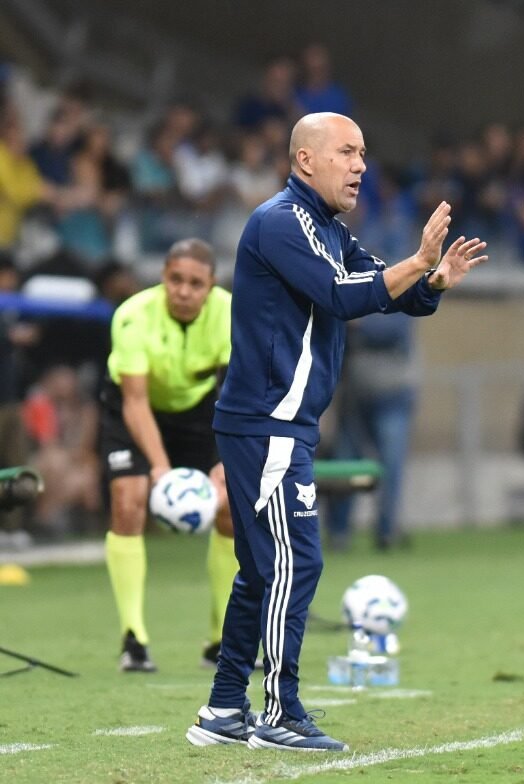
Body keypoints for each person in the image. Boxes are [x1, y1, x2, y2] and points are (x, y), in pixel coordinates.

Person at [187, 112, 486, 752]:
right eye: (347, 152)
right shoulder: (280, 222)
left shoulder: (325, 227)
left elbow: (385, 288)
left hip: (278, 424)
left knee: (261, 571)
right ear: (305, 161)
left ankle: (221, 710)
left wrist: (430, 278)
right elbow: (346, 296)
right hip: (267, 422)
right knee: (297, 563)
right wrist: (416, 262)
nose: (360, 166)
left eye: (364, 153)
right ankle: (279, 710)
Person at [99, 238, 234, 672]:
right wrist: (161, 468)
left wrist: (226, 458)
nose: (184, 291)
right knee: (128, 501)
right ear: (162, 278)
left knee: (231, 504)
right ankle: (133, 638)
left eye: (196, 283)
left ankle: (221, 640)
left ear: (211, 286)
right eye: (175, 280)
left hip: (201, 410)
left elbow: (242, 392)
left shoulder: (232, 315)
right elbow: (135, 402)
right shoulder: (133, 316)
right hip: (132, 409)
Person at [328, 312, 420, 551]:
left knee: (390, 467)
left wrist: (357, 322)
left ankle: (386, 531)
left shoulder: (402, 286)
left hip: (393, 395)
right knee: (344, 464)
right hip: (354, 397)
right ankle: (339, 532)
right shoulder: (355, 281)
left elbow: (392, 330)